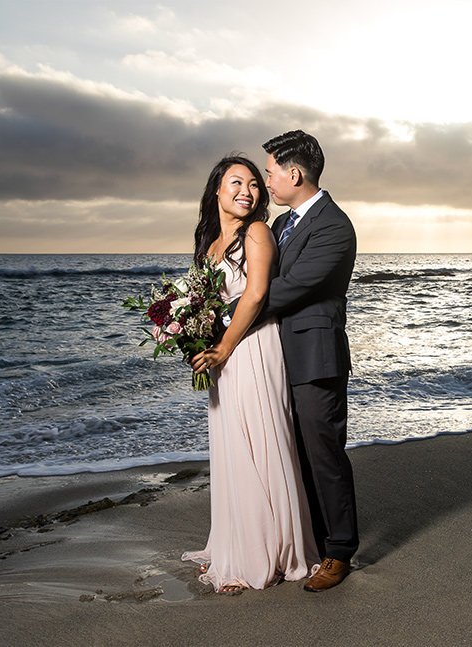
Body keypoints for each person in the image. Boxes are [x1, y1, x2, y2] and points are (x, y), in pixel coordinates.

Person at [182, 155, 320, 592]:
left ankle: (265, 553)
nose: (247, 191)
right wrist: (192, 341)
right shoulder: (210, 246)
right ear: (217, 191)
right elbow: (203, 308)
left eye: (255, 184)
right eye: (236, 183)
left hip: (254, 347)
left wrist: (224, 346)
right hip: (223, 354)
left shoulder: (257, 233)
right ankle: (236, 542)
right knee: (232, 446)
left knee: (260, 441)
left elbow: (257, 294)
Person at [254, 130, 359, 592]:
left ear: (294, 173)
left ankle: (340, 551)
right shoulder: (281, 226)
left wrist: (228, 309)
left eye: (270, 172)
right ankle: (312, 544)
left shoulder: (334, 226)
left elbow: (287, 288)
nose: (266, 183)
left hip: (316, 359)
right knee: (293, 454)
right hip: (279, 354)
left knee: (324, 455)